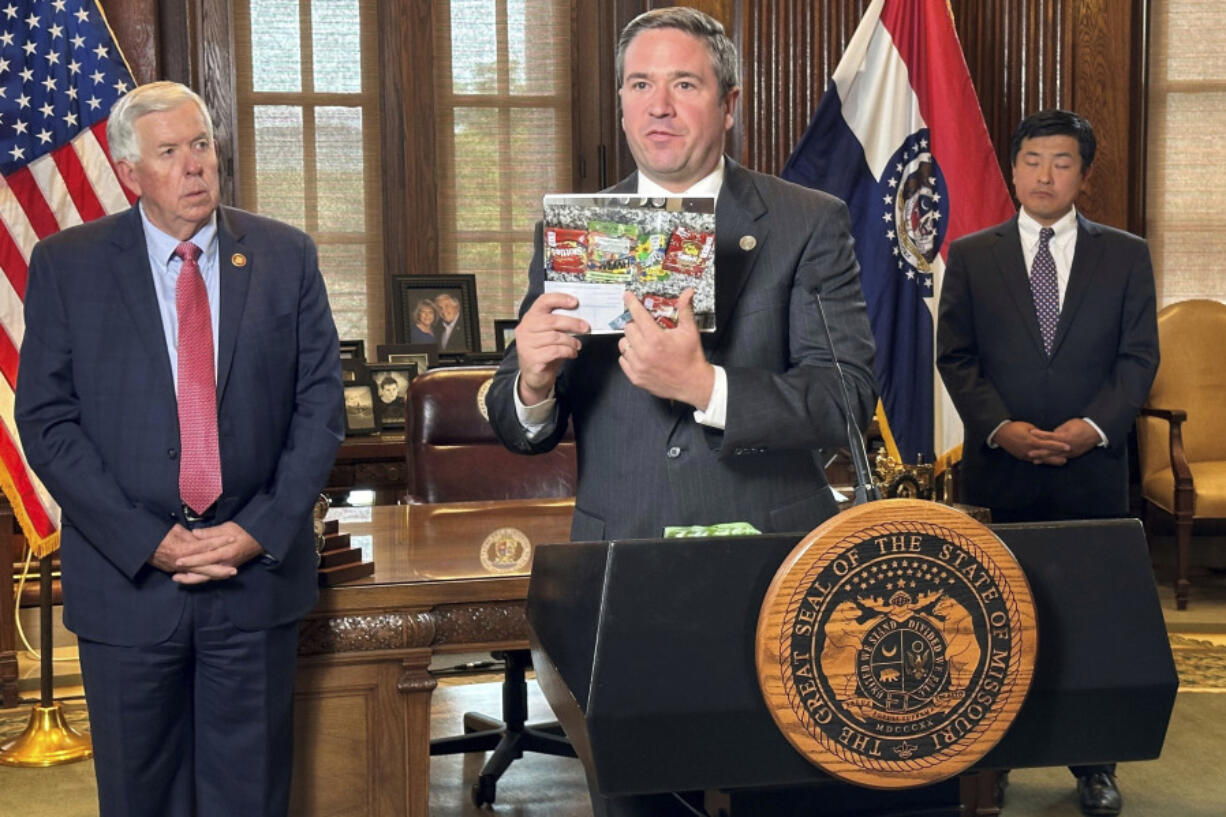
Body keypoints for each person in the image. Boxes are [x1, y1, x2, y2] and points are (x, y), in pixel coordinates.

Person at [484, 8, 876, 815]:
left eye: (684, 84)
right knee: (637, 802)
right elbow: (522, 419)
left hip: (772, 576)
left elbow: (847, 399)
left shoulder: (807, 223)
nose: (659, 104)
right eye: (640, 84)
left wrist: (708, 389)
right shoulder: (574, 230)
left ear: (728, 105)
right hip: (618, 571)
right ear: (622, 104)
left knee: (784, 799)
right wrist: (529, 380)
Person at [14, 82, 344, 817]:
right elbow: (47, 421)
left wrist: (259, 528)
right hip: (127, 589)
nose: (196, 165)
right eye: (170, 152)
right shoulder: (68, 265)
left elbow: (320, 408)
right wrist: (148, 539)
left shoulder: (285, 256)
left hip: (252, 584)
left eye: (202, 145)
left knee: (250, 799)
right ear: (130, 172)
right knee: (140, 800)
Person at [937, 109, 1159, 817]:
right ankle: (993, 765)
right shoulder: (972, 255)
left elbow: (1138, 359)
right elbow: (957, 357)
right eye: (1032, 159)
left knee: (1090, 620)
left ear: (1084, 174)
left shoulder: (1125, 255)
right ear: (1013, 168)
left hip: (1091, 471)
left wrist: (1092, 429)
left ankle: (1094, 764)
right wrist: (1002, 429)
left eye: (1061, 162)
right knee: (993, 623)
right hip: (1001, 470)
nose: (1044, 174)